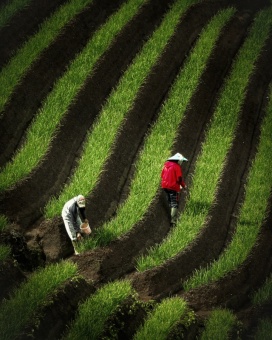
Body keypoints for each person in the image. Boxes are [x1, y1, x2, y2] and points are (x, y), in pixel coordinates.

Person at [161, 153, 188, 226]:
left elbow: (162, 175)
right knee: (174, 203)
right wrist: (183, 185)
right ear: (178, 160)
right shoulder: (177, 167)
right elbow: (179, 179)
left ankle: (171, 211)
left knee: (170, 199)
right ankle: (173, 221)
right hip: (173, 187)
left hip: (164, 186)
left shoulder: (166, 165)